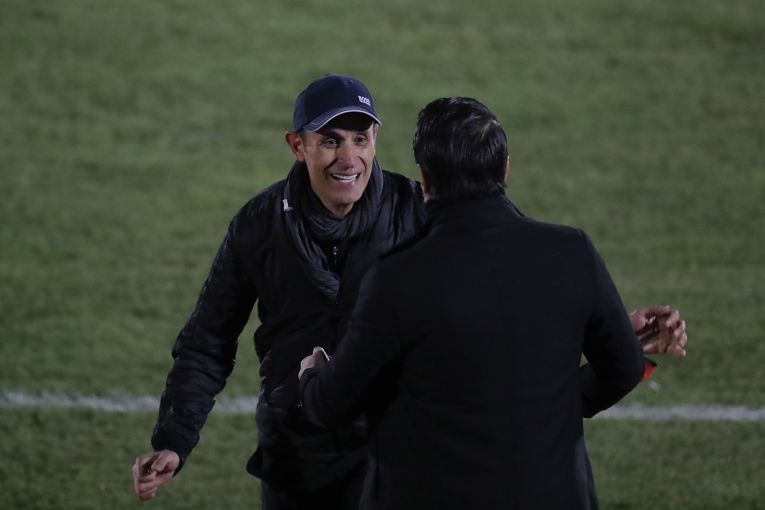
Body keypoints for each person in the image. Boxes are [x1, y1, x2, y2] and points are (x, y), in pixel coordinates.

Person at [132, 76, 687, 507]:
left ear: (382, 144)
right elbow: (208, 339)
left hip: (393, 455)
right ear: (297, 146)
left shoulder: (419, 216)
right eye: (330, 141)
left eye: (361, 139)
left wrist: (610, 332)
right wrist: (174, 438)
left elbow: (500, 291)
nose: (348, 158)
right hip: (299, 457)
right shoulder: (257, 225)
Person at [298, 97, 683, 510]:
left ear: (424, 179)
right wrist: (552, 399)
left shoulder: (397, 278)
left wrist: (313, 373)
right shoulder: (572, 253)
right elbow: (624, 369)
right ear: (505, 170)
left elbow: (331, 407)